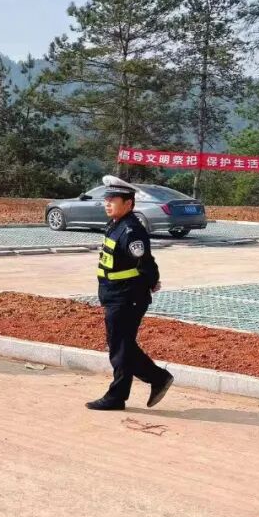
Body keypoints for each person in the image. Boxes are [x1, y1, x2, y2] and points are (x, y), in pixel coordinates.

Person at [87, 176, 174, 411]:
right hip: (115, 294)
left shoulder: (131, 230)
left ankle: (125, 392)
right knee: (122, 346)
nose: (107, 203)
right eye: (106, 199)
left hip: (128, 297)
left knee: (120, 346)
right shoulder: (115, 224)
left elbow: (146, 262)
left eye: (113, 200)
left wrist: (151, 282)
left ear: (128, 203)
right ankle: (154, 380)